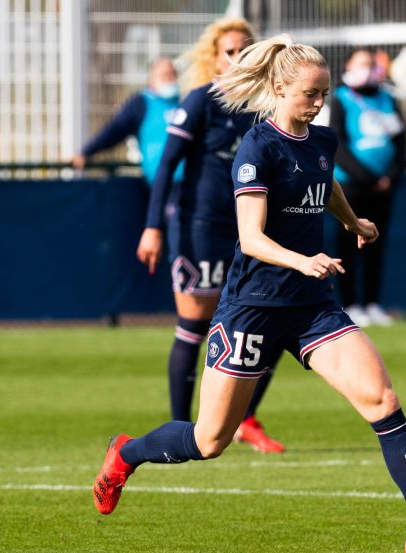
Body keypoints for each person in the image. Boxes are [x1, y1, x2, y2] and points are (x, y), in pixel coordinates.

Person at [93, 35, 406, 539]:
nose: (319, 103)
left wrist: (353, 222)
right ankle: (126, 452)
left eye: (323, 93)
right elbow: (251, 238)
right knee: (211, 440)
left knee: (382, 401)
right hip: (252, 307)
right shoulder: (256, 147)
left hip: (310, 307)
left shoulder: (321, 140)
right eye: (310, 94)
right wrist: (304, 260)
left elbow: (324, 183)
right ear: (279, 88)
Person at [136, 18, 284, 453]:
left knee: (271, 326)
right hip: (201, 228)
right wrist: (152, 226)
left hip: (252, 231)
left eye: (245, 50)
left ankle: (246, 418)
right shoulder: (201, 101)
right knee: (194, 326)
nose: (238, 58)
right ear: (214, 57)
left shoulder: (265, 107)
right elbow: (166, 165)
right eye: (229, 51)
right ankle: (180, 428)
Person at [330, 48, 406, 327]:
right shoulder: (340, 99)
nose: (367, 68)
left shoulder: (387, 98)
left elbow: (401, 142)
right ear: (349, 65)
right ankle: (350, 304)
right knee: (349, 246)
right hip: (350, 188)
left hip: (382, 189)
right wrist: (366, 177)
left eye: (370, 64)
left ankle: (373, 303)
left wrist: (390, 177)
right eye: (361, 63)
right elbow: (337, 144)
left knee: (376, 245)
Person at [72, 58, 183, 190]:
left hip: (188, 180)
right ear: (152, 79)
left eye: (173, 74)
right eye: (165, 75)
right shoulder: (141, 103)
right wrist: (87, 152)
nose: (170, 79)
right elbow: (115, 130)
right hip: (161, 182)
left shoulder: (182, 103)